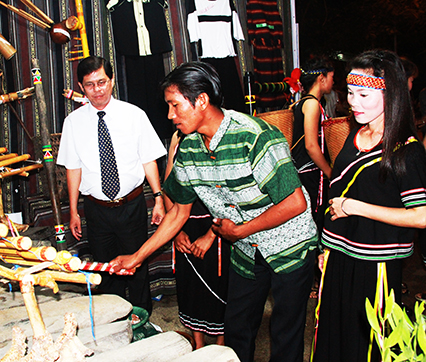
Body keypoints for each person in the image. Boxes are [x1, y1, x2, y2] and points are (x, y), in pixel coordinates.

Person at [109, 62, 319, 362]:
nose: (170, 115)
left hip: (290, 245)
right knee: (236, 330)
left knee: (285, 333)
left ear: (202, 100)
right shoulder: (190, 149)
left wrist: (242, 229)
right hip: (247, 250)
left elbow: (295, 202)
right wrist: (137, 257)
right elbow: (177, 214)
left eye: (175, 105)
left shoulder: (254, 136)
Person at [313, 50, 426, 362]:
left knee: (368, 344)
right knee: (334, 335)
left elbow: (421, 215)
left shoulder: (406, 150)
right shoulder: (356, 133)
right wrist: (327, 248)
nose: (354, 102)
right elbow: (337, 190)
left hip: (376, 263)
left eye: (364, 94)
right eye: (350, 92)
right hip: (339, 256)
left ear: (390, 94)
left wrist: (356, 207)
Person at [56, 56, 166, 314]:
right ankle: (114, 323)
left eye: (102, 82)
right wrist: (73, 211)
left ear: (112, 81)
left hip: (132, 205)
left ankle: (142, 321)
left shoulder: (134, 115)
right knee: (106, 271)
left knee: (137, 268)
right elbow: (73, 169)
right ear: (82, 87)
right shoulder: (73, 122)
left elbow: (148, 160)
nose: (98, 90)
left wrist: (159, 198)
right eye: (90, 84)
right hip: (97, 210)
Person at [165, 130, 230, 349]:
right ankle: (199, 345)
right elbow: (168, 187)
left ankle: (222, 344)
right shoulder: (177, 138)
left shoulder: (220, 136)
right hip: (185, 222)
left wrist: (212, 234)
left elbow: (231, 194)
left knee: (221, 283)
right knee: (190, 285)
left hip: (218, 225)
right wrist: (176, 231)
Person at [292, 58, 334, 232]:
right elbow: (311, 146)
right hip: (308, 172)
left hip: (306, 170)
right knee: (314, 219)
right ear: (321, 79)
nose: (333, 82)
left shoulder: (306, 102)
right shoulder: (311, 104)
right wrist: (330, 172)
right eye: (332, 77)